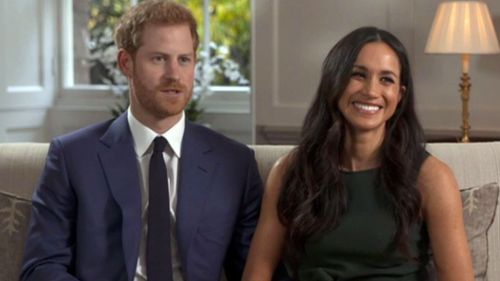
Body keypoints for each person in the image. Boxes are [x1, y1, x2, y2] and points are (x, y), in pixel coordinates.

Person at [20, 1, 264, 280]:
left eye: (184, 59)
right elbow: (41, 268)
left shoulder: (234, 163)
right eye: (159, 59)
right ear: (127, 63)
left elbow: (256, 269)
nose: (174, 74)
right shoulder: (71, 157)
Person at [242, 26, 474, 281]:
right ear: (334, 82)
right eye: (358, 75)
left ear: (399, 95)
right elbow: (257, 272)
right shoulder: (290, 170)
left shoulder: (432, 177)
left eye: (386, 79)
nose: (371, 91)